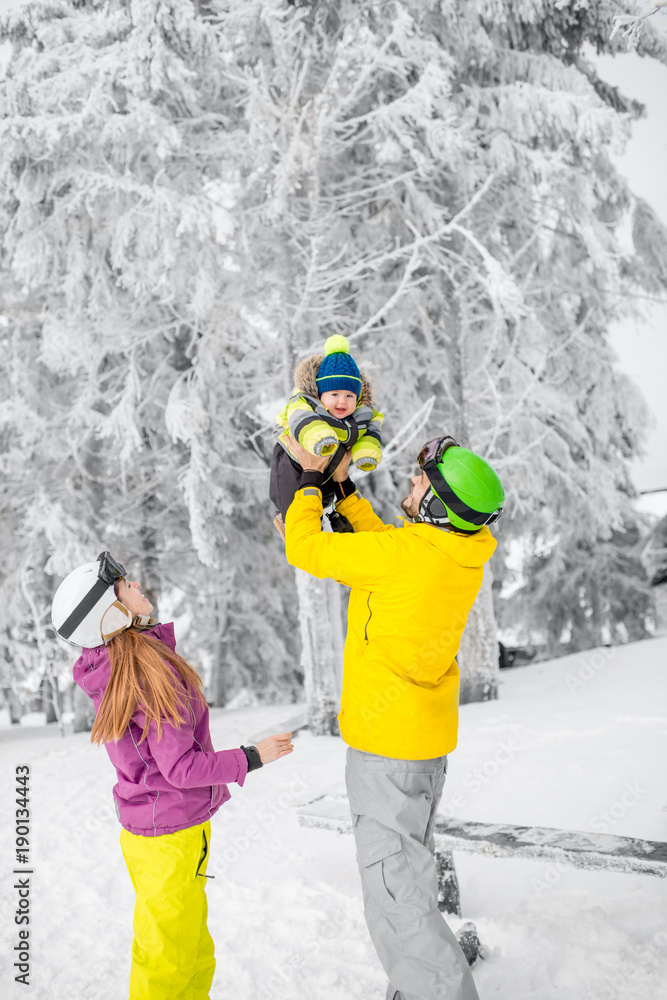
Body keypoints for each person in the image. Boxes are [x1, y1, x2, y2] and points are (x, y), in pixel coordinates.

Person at [283, 433, 505, 1000]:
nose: (410, 482)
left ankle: (437, 989)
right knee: (408, 880)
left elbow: (306, 548)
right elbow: (385, 545)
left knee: (394, 895)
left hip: (387, 757)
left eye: (420, 481)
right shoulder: (456, 554)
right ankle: (424, 980)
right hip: (420, 751)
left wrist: (310, 483)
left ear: (434, 506)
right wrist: (345, 493)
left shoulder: (405, 557)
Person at [51, 552, 293, 1000]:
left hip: (157, 833)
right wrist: (252, 756)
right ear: (110, 612)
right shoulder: (147, 673)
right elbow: (181, 768)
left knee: (192, 951)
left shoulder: (119, 666)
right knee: (167, 961)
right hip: (169, 838)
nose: (136, 583)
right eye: (124, 585)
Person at [270, 334, 384, 534]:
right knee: (294, 509)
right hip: (293, 462)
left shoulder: (360, 413)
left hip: (327, 469)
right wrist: (320, 437)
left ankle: (321, 528)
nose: (342, 402)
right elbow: (303, 421)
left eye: (349, 395)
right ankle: (293, 528)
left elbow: (370, 430)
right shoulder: (305, 403)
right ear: (320, 394)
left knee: (322, 508)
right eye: (335, 395)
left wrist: (365, 453)